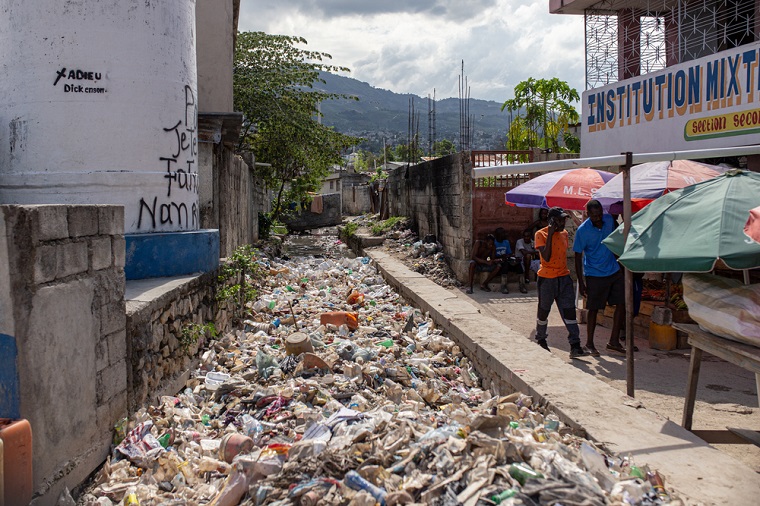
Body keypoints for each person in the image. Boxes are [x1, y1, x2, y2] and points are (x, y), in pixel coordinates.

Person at [573, 199, 629, 356]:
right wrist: (582, 282)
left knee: (621, 304)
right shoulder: (582, 231)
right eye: (594, 215)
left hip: (613, 270)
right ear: (588, 214)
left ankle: (614, 341)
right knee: (593, 309)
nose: (598, 218)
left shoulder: (609, 220)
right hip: (594, 274)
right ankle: (589, 343)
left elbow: (617, 238)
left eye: (599, 214)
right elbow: (578, 257)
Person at [534, 207, 586, 358]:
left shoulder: (564, 234)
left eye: (563, 219)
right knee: (544, 310)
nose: (562, 223)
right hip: (547, 278)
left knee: (569, 310)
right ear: (551, 221)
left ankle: (575, 344)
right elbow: (547, 257)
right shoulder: (540, 234)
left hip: (563, 277)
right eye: (559, 220)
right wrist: (550, 235)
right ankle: (541, 339)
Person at [493, 228, 527, 294]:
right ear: (498, 235)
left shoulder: (506, 242)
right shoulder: (494, 243)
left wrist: (509, 256)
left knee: (518, 263)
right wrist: (500, 257)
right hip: (498, 261)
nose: (504, 235)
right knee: (504, 264)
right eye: (502, 233)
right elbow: (492, 256)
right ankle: (504, 286)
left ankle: (522, 285)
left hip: (506, 259)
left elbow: (509, 253)